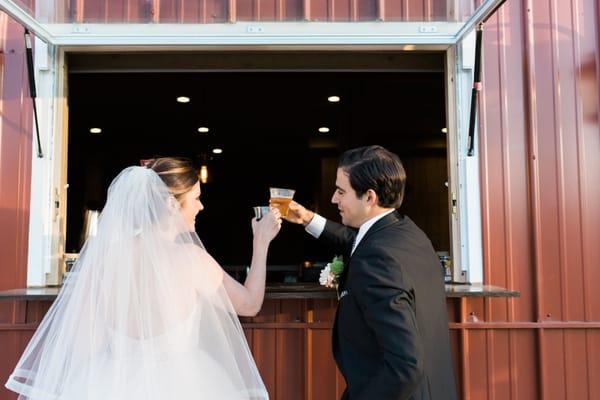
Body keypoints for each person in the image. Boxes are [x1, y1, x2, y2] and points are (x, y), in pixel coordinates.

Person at [6, 157, 281, 400]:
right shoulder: (192, 260)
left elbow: (83, 344)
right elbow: (249, 305)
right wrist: (261, 242)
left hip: (110, 383)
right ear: (171, 204)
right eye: (196, 197)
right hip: (184, 386)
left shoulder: (109, 259)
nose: (201, 206)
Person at [281, 146, 457, 400]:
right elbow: (356, 240)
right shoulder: (408, 233)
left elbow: (405, 366)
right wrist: (308, 218)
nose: (333, 199)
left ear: (369, 197)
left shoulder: (377, 259)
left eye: (341, 191)